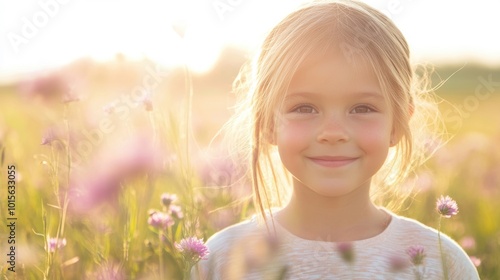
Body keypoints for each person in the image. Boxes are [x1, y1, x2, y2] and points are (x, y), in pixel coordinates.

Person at [194, 0, 480, 279]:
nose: (333, 132)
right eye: (304, 108)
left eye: (362, 108)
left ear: (398, 124)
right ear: (267, 122)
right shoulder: (221, 259)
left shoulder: (441, 263)